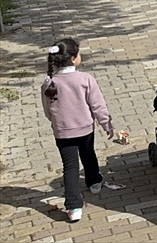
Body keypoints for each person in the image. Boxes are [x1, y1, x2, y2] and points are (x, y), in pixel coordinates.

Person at [41, 38, 123, 223]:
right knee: (88, 153)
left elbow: (48, 111)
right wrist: (107, 124)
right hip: (85, 128)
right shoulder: (85, 79)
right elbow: (98, 105)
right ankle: (94, 181)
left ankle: (73, 206)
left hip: (62, 131)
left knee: (70, 167)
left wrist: (56, 122)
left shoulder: (48, 83)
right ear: (73, 59)